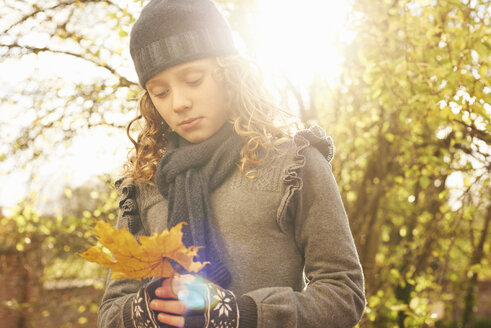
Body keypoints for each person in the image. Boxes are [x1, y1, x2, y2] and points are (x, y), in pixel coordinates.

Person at [97, 0, 366, 327]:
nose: (179, 103)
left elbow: (344, 293)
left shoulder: (293, 163)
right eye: (160, 92)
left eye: (193, 80)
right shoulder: (141, 186)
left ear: (229, 74)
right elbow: (111, 312)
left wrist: (246, 315)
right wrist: (144, 310)